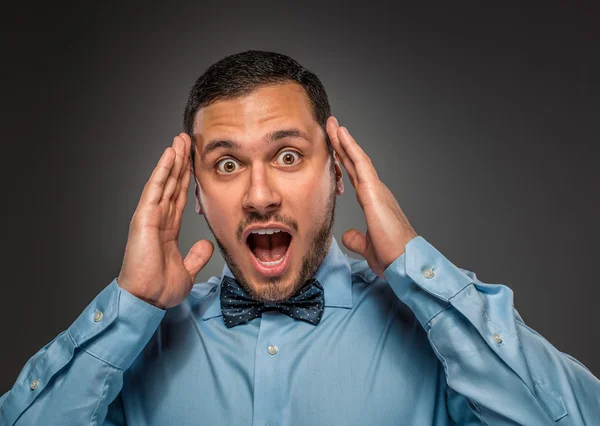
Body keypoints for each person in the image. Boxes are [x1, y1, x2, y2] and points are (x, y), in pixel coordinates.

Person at [1, 50, 598, 426]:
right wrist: (128, 308)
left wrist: (420, 272)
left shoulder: (438, 341)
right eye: (228, 165)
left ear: (337, 172)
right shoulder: (136, 352)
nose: (259, 195)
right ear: (198, 193)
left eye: (288, 155)